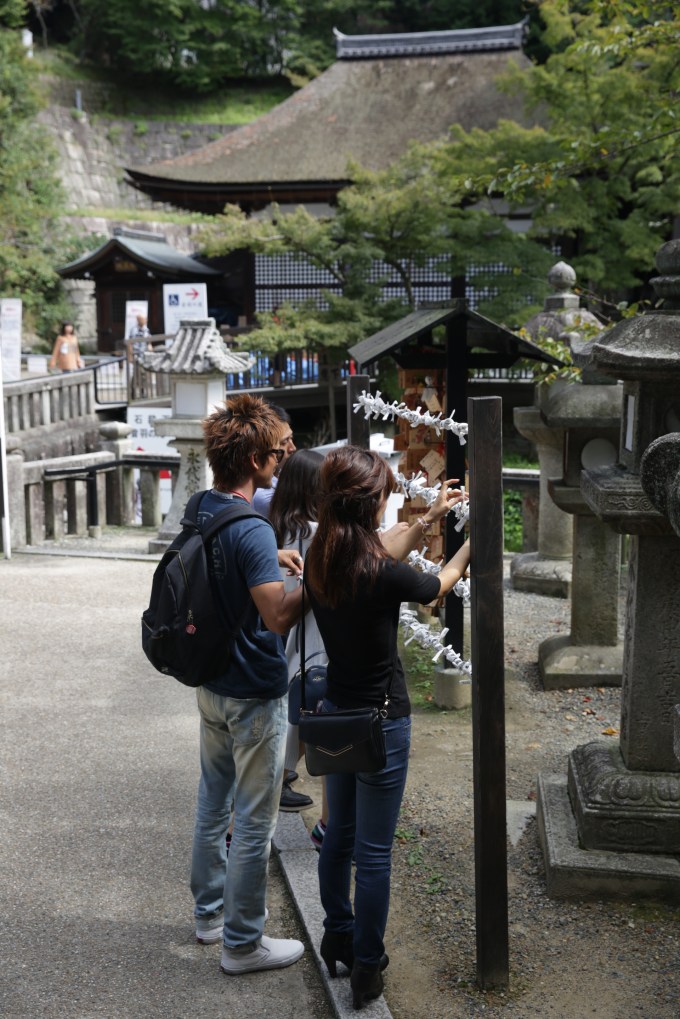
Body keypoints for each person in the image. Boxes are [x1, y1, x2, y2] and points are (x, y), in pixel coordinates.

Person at [304, 446, 470, 1010]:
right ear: (369, 503)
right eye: (383, 495)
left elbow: (382, 548)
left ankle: (338, 935)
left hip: (335, 716)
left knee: (339, 837)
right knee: (373, 854)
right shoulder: (378, 572)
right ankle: (368, 966)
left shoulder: (322, 554)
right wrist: (472, 542)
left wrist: (430, 517)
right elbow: (439, 584)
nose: (387, 502)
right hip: (380, 723)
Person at [190, 392, 306, 975]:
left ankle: (209, 916)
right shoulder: (253, 526)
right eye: (279, 452)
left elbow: (224, 569)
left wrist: (270, 556)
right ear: (257, 460)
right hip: (253, 689)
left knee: (213, 800)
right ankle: (242, 944)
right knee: (255, 820)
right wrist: (321, 574)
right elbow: (278, 617)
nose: (284, 460)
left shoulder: (203, 506)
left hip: (209, 678)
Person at [269, 449, 329, 825]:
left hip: (281, 626)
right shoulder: (313, 532)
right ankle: (276, 782)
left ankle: (277, 780)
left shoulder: (276, 528)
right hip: (309, 629)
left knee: (292, 707)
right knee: (305, 708)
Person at [251, 404, 295, 516]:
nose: (292, 448)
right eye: (284, 442)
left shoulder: (285, 476)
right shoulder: (263, 496)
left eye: (291, 438)